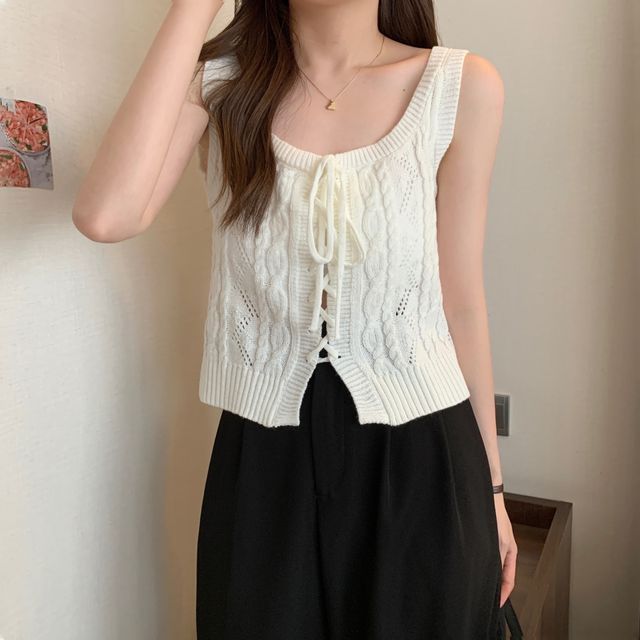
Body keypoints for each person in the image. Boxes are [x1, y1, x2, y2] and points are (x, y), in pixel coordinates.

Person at [72, 0, 517, 637]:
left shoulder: (459, 86)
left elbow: (461, 302)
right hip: (263, 455)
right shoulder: (220, 86)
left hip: (423, 453)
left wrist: (493, 492)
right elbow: (107, 215)